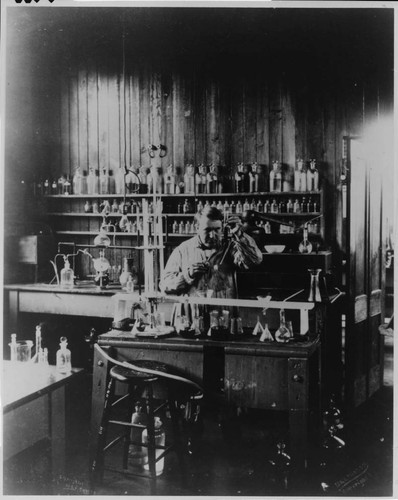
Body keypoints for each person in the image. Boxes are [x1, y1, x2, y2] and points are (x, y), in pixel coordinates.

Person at [160, 206, 263, 298]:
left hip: (223, 312)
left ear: (222, 228)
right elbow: (165, 286)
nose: (212, 235)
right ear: (197, 228)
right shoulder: (182, 250)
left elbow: (255, 260)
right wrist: (187, 275)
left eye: (217, 229)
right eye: (207, 230)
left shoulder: (230, 248)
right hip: (193, 313)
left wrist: (239, 233)